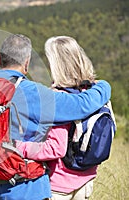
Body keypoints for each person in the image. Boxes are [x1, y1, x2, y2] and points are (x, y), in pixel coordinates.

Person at [0, 34, 111, 200]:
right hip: (25, 187)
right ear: (26, 62)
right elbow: (80, 105)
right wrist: (104, 86)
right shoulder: (36, 94)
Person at [16, 36, 115, 200]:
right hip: (86, 180)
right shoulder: (94, 91)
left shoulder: (60, 100)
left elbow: (55, 148)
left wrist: (19, 147)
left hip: (59, 186)